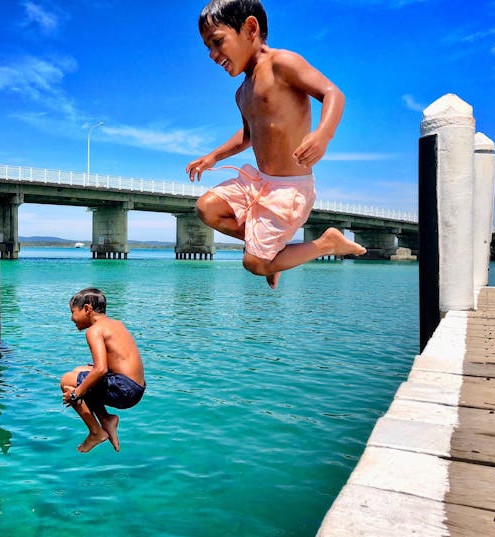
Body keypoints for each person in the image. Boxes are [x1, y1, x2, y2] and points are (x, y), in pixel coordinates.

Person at [186, 0, 366, 289]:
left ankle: (325, 244)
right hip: (259, 183)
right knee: (207, 208)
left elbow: (333, 93)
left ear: (250, 28)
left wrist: (323, 135)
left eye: (217, 42)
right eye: (208, 47)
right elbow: (248, 135)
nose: (212, 54)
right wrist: (213, 157)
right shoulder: (241, 92)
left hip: (290, 189)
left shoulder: (282, 63)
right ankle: (274, 254)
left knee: (254, 263)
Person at [60, 287, 145, 453]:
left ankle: (96, 432)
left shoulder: (94, 331)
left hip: (125, 389)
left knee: (67, 381)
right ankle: (106, 420)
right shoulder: (115, 324)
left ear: (87, 309)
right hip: (136, 387)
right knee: (80, 371)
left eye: (73, 312)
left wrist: (76, 394)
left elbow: (100, 369)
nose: (71, 318)